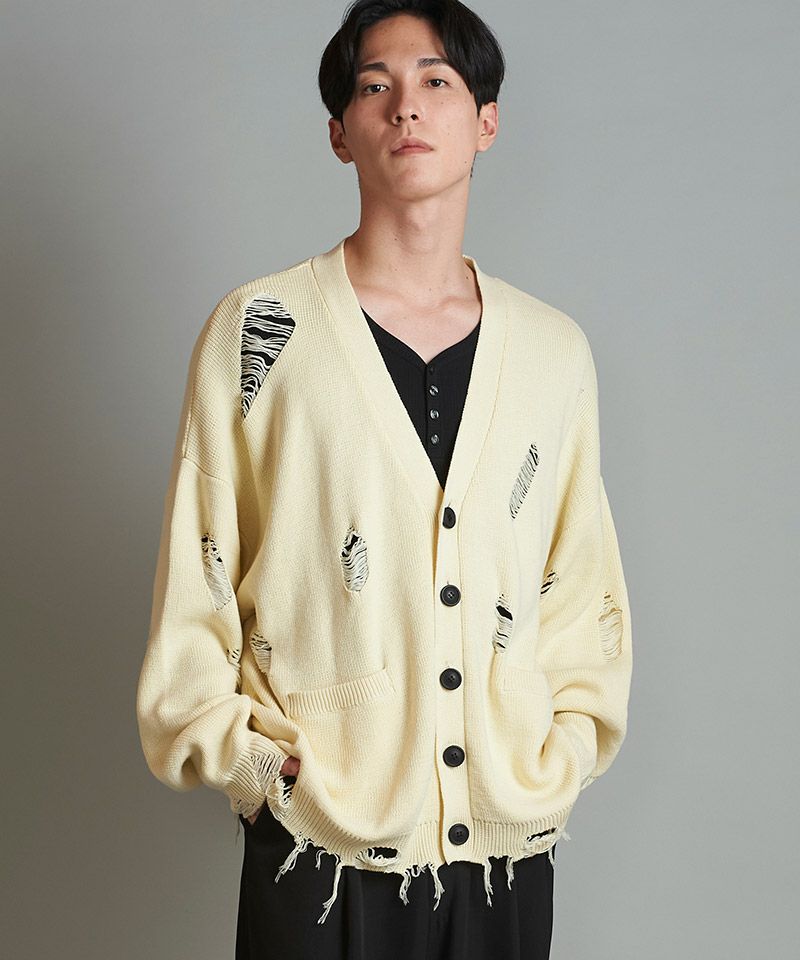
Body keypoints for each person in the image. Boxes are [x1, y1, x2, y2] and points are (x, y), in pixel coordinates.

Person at [136, 2, 633, 958]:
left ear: (486, 121)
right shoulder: (262, 332)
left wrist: (565, 753)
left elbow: (581, 586)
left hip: (505, 852)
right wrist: (256, 772)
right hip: (317, 849)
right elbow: (198, 575)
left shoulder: (552, 353)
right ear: (340, 132)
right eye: (375, 86)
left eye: (437, 80)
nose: (406, 105)